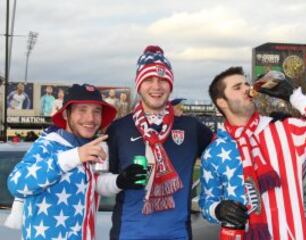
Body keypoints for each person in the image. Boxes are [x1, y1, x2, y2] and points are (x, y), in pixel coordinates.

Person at [199, 67, 306, 240]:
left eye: (246, 83)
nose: (247, 88)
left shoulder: (284, 129)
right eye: (237, 87)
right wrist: (217, 210)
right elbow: (206, 201)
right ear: (221, 102)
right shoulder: (214, 151)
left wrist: (295, 97)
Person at [7, 84, 147, 240]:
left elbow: (94, 183)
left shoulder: (94, 147)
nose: (91, 118)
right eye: (82, 110)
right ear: (66, 114)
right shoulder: (48, 144)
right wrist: (75, 156)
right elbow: (16, 184)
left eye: (96, 111)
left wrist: (120, 181)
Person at [106, 45, 213, 240]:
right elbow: (98, 181)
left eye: (163, 80)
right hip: (129, 233)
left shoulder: (190, 127)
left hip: (177, 234)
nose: (156, 86)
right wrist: (119, 181)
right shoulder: (118, 129)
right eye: (148, 80)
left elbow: (226, 151)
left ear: (170, 85)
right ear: (138, 84)